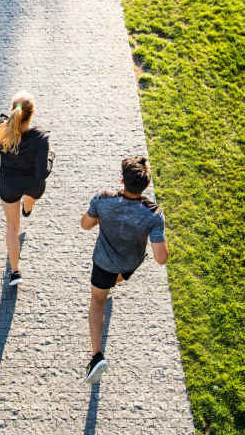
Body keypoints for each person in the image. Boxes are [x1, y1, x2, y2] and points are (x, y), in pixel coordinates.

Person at [80, 156, 168, 384]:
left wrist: (103, 216)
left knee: (97, 300)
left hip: (103, 262)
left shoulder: (103, 199)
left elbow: (85, 224)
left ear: (122, 181)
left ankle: (96, 356)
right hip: (129, 264)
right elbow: (161, 258)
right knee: (112, 283)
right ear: (147, 185)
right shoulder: (154, 214)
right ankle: (110, 286)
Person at [0, 91, 52, 286]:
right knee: (31, 197)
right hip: (33, 185)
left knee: (12, 227)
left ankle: (15, 272)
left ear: (12, 110)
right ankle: (28, 207)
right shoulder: (40, 137)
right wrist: (51, 159)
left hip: (9, 184)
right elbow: (42, 174)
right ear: (32, 112)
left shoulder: (1, 129)